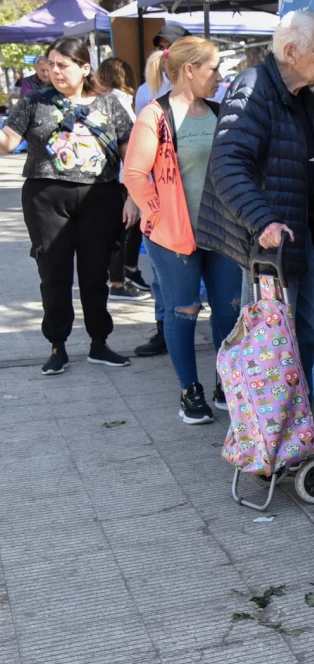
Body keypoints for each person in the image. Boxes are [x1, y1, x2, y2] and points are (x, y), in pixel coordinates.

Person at [196, 11, 314, 452]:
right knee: (272, 352)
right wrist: (263, 220)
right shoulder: (254, 87)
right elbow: (227, 165)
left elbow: (282, 165)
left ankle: (293, 432)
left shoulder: (297, 95)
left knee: (301, 341)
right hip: (269, 245)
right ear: (291, 51)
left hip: (291, 239)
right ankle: (267, 443)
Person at [0, 36, 133, 375]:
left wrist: (134, 194)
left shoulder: (109, 103)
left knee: (94, 273)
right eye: (51, 64)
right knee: (54, 274)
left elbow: (131, 151)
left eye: (63, 65)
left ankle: (99, 343)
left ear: (85, 67)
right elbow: (7, 142)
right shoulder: (33, 101)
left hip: (99, 197)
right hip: (46, 199)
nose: (54, 71)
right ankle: (57, 345)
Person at [124, 36, 240, 425]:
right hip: (173, 236)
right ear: (189, 70)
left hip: (220, 233)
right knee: (184, 309)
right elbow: (135, 174)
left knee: (228, 309)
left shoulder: (220, 112)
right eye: (214, 69)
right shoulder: (154, 115)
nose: (221, 78)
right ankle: (189, 391)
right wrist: (158, 216)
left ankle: (226, 383)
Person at [130, 24, 192, 359]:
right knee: (164, 278)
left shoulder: (212, 89)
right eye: (162, 45)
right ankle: (163, 330)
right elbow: (138, 162)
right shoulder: (148, 92)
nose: (166, 49)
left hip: (200, 201)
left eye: (172, 43)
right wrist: (152, 206)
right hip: (165, 201)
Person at [98, 56, 151, 302]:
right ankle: (118, 281)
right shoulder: (113, 101)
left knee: (128, 230)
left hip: (125, 176)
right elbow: (127, 146)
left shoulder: (120, 100)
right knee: (123, 230)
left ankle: (125, 274)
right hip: (122, 177)